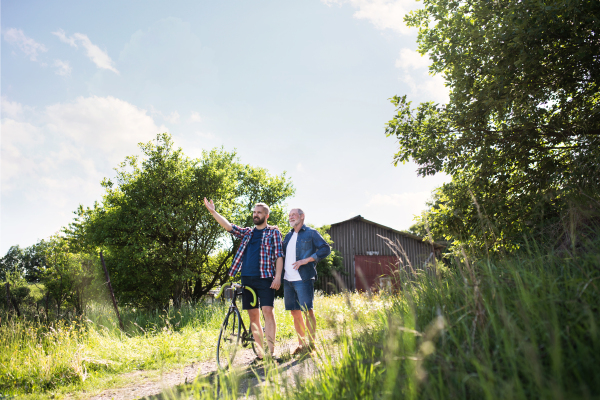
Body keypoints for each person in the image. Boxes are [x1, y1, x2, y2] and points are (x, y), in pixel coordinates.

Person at [204, 198, 283, 360]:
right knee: (253, 315)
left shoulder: (273, 232)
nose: (255, 214)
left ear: (266, 215)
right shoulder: (248, 232)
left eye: (259, 212)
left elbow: (279, 256)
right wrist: (213, 211)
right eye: (254, 212)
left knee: (268, 311)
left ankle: (271, 352)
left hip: (266, 278)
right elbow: (229, 227)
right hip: (247, 279)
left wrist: (278, 277)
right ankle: (261, 354)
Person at [282, 208, 331, 355]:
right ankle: (301, 344)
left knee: (307, 311)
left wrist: (307, 260)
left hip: (303, 278)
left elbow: (325, 248)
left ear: (302, 217)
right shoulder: (288, 236)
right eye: (289, 215)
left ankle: (311, 345)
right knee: (295, 313)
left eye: (294, 215)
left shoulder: (311, 233)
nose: (291, 217)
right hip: (287, 279)